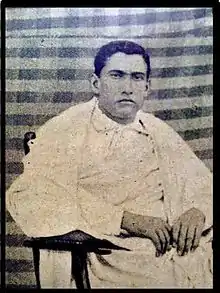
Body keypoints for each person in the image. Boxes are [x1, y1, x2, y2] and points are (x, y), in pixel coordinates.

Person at [6, 40, 213, 288]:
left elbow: (203, 184)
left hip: (177, 247)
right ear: (96, 83)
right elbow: (32, 195)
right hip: (106, 255)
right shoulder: (66, 128)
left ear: (147, 87)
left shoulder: (157, 129)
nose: (128, 87)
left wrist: (197, 211)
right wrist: (126, 220)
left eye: (137, 77)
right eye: (117, 76)